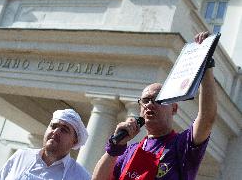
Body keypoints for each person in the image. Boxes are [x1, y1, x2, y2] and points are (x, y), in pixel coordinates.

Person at [92, 31, 217, 180]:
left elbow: (207, 118)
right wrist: (114, 148)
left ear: (174, 108)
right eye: (145, 100)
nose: (150, 104)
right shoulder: (127, 151)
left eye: (158, 99)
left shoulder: (182, 145)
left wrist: (206, 65)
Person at [0, 109, 91, 180]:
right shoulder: (21, 156)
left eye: (64, 130)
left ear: (74, 141)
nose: (56, 131)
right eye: (53, 126)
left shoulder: (80, 176)